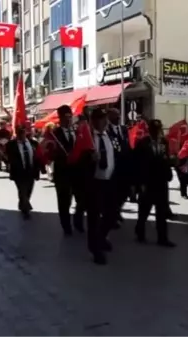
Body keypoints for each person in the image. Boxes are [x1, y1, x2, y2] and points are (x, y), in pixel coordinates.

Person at [134, 119, 175, 247]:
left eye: (159, 129)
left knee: (161, 211)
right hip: (148, 182)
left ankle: (162, 238)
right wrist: (139, 184)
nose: (157, 132)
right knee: (144, 211)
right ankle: (140, 231)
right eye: (154, 130)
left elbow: (165, 159)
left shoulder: (164, 143)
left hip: (161, 182)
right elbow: (139, 165)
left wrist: (170, 164)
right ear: (150, 130)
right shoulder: (143, 144)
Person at [86, 108, 119, 265]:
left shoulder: (109, 135)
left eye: (105, 119)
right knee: (94, 218)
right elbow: (79, 159)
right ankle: (95, 249)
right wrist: (90, 159)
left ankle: (101, 237)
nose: (105, 122)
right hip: (94, 182)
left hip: (110, 180)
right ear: (93, 121)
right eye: (101, 119)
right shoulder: (87, 137)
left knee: (112, 214)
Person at [52, 105, 82, 236]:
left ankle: (78, 220)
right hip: (62, 172)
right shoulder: (54, 134)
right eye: (66, 117)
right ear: (60, 117)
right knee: (64, 201)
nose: (69, 119)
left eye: (70, 116)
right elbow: (50, 152)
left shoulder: (76, 132)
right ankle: (66, 226)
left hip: (77, 171)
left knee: (82, 199)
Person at [6, 124, 41, 219]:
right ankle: (26, 209)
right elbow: (8, 158)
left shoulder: (33, 143)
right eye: (19, 133)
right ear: (16, 133)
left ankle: (22, 204)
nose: (21, 135)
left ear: (26, 133)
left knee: (29, 191)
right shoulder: (10, 145)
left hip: (31, 171)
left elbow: (38, 158)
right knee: (22, 190)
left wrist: (40, 169)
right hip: (19, 173)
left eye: (23, 132)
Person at [105, 108, 131, 226]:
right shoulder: (106, 130)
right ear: (109, 117)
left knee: (124, 192)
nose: (118, 117)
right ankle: (112, 216)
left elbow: (127, 144)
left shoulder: (124, 129)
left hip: (124, 165)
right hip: (112, 166)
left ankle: (117, 210)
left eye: (118, 115)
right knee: (113, 193)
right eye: (115, 115)